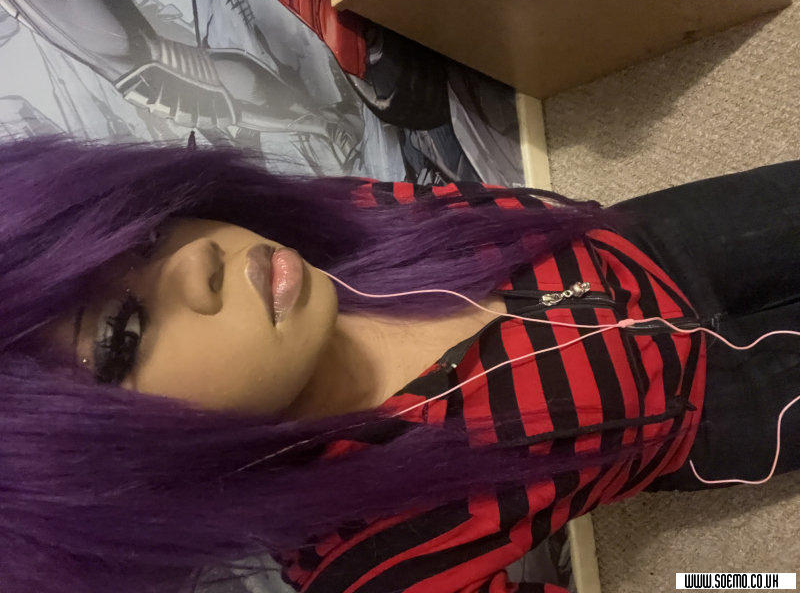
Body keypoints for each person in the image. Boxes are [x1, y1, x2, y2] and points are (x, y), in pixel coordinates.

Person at [1, 136, 797, 593]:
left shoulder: (334, 223)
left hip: (655, 238)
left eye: (145, 233)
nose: (197, 258)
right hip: (720, 416)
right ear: (121, 477)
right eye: (121, 335)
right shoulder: (372, 560)